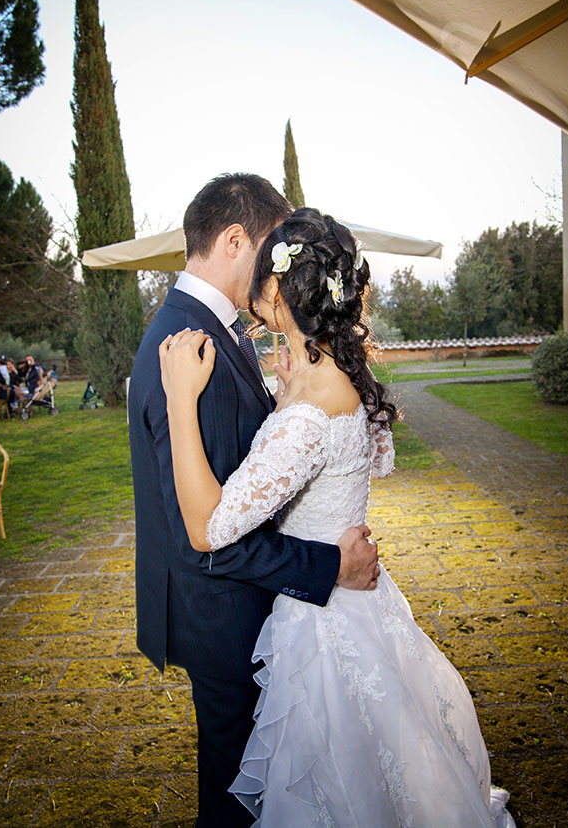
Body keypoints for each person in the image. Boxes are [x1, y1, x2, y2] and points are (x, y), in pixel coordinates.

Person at [160, 208, 515, 828]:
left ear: (278, 289)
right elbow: (370, 455)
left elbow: (207, 527)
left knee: (337, 783)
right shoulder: (334, 375)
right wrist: (287, 393)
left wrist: (180, 399)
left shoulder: (308, 411)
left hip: (321, 622)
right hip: (359, 600)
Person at [128, 175, 379, 828]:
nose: (278, 272)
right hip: (225, 616)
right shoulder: (191, 345)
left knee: (268, 787)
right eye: (271, 250)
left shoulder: (216, 328)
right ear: (236, 239)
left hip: (251, 606)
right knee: (240, 797)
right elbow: (204, 530)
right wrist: (331, 568)